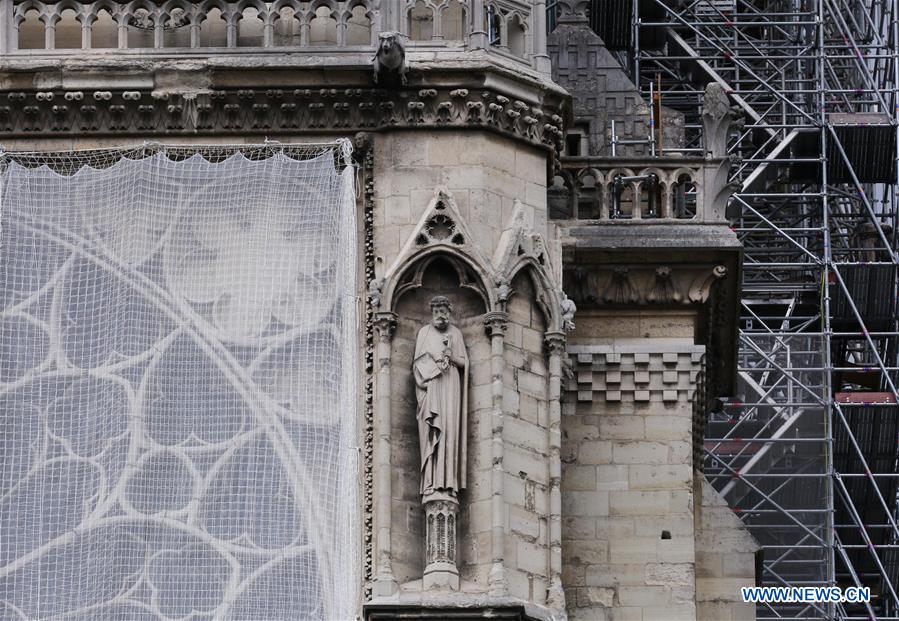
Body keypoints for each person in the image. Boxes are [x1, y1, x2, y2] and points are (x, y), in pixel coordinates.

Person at [413, 296, 468, 498]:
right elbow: (417, 365)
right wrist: (434, 368)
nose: (440, 315)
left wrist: (451, 357)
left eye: (443, 311)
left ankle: (449, 482)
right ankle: (431, 481)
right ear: (432, 313)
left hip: (450, 385)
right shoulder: (424, 333)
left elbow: (464, 363)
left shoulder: (456, 334)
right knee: (432, 429)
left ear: (449, 312)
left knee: (449, 430)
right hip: (433, 386)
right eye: (436, 312)